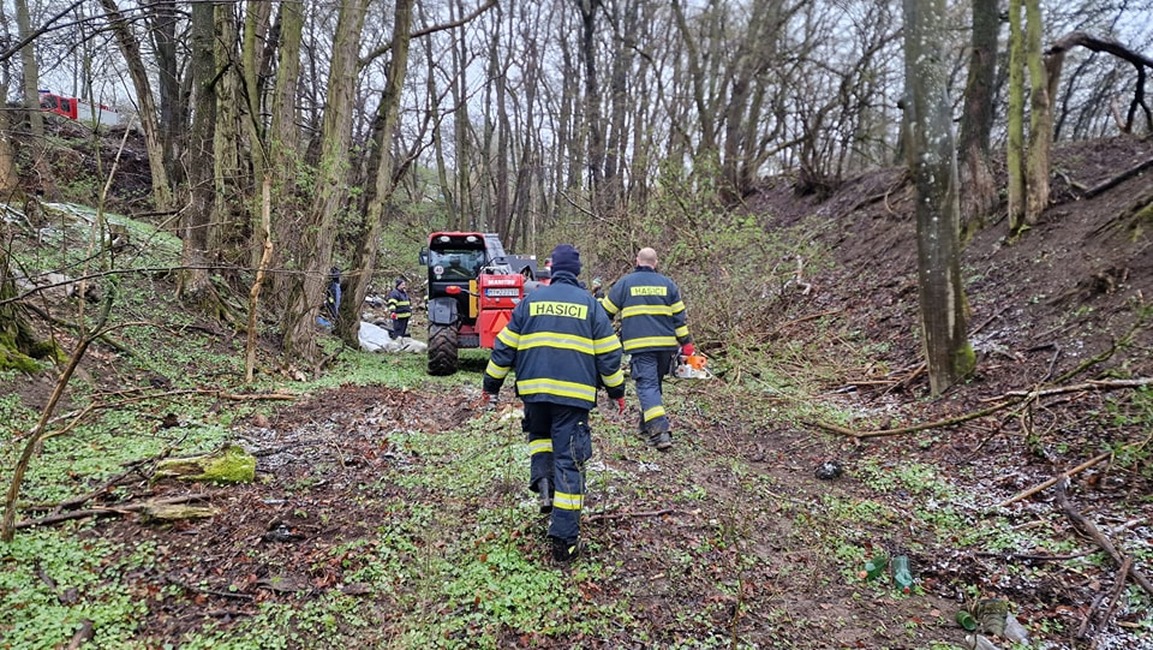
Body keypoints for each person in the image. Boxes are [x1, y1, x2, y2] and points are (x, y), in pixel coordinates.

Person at [482, 244, 626, 563]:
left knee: (540, 440)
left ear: (551, 269)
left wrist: (490, 386)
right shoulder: (591, 306)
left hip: (534, 392)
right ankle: (564, 542)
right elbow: (609, 357)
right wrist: (617, 393)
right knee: (570, 462)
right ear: (576, 272)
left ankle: (544, 487)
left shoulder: (529, 302)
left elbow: (503, 347)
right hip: (573, 398)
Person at [601, 247, 695, 451]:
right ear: (656, 262)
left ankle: (660, 432)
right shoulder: (668, 284)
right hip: (665, 347)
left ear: (637, 260)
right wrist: (686, 344)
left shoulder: (625, 283)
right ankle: (645, 425)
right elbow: (679, 318)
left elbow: (605, 313)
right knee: (654, 384)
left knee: (647, 386)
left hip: (640, 347)